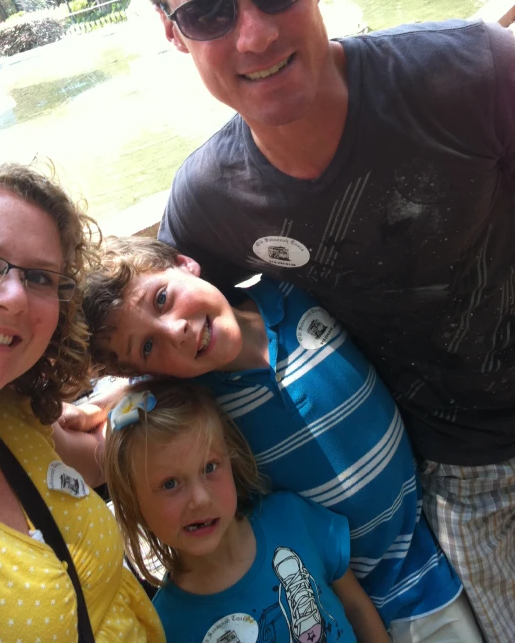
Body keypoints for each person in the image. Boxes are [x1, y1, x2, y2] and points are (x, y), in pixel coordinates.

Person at [129, 0, 515, 639]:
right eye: (208, 11)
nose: (255, 32)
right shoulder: (211, 205)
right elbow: (151, 330)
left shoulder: (468, 70)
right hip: (460, 482)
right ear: (173, 31)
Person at [80, 234, 483, 642]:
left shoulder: (294, 294)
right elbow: (86, 445)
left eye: (162, 298)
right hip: (329, 594)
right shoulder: (200, 405)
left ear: (185, 263)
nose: (176, 330)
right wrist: (107, 401)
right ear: (150, 373)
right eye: (148, 345)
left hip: (434, 543)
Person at [0, 160, 164, 643]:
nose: (13, 296)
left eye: (39, 278)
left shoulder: (8, 417)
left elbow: (104, 450)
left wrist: (145, 382)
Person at [104, 379, 391, 643]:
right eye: (170, 484)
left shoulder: (291, 517)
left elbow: (356, 608)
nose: (200, 499)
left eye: (209, 467)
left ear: (232, 459)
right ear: (134, 504)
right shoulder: (164, 627)